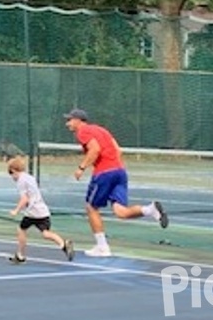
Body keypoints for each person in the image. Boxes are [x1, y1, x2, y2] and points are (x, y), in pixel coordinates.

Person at [64, 108, 168, 257]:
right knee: (121, 211)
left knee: (91, 208)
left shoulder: (83, 132)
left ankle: (102, 247)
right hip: (120, 171)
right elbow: (117, 150)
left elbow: (95, 149)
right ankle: (150, 210)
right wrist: (115, 167)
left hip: (104, 173)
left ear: (79, 120)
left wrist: (81, 168)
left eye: (70, 120)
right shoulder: (102, 130)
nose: (67, 123)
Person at [7, 156, 74, 263]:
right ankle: (63, 244)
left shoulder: (21, 181)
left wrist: (16, 210)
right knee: (46, 233)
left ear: (14, 170)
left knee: (21, 229)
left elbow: (25, 198)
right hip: (42, 211)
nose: (11, 176)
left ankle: (20, 255)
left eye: (11, 172)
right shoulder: (30, 177)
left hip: (32, 212)